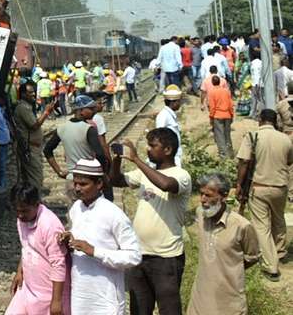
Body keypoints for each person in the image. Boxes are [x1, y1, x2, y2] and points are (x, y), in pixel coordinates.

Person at [110, 129, 191, 315]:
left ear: (168, 149)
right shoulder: (145, 173)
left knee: (168, 308)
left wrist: (136, 159)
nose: (148, 149)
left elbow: (166, 185)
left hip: (166, 257)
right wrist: (117, 158)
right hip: (139, 254)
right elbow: (116, 180)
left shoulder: (181, 175)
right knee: (139, 309)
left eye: (153, 146)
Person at [60, 159, 141, 314]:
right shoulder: (76, 208)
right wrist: (68, 240)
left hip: (106, 297)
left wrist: (95, 251)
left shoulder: (114, 214)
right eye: (75, 183)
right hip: (80, 293)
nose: (77, 188)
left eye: (83, 184)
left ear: (99, 184)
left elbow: (134, 256)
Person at [187, 172, 259, 315]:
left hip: (228, 302)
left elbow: (252, 256)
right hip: (200, 298)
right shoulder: (201, 214)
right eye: (201, 194)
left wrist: (230, 269)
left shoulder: (241, 226)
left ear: (224, 196)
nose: (202, 199)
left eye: (208, 195)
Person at [235, 108, 293, 281]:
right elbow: (290, 160)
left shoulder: (252, 136)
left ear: (260, 119)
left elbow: (244, 162)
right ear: (275, 121)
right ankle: (280, 252)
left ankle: (271, 266)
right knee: (278, 219)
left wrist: (239, 184)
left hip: (259, 187)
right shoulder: (285, 139)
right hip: (280, 187)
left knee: (261, 226)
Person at [6, 183, 71, 315]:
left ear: (37, 204)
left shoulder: (49, 224)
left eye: (24, 211)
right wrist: (20, 271)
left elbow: (58, 264)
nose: (20, 215)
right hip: (29, 287)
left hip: (48, 292)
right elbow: (26, 246)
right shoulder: (22, 219)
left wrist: (56, 301)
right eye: (17, 210)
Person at [44, 95, 108, 202]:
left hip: (72, 179)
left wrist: (58, 171)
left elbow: (47, 150)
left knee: (75, 214)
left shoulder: (61, 128)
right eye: (91, 109)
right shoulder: (88, 129)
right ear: (81, 110)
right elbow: (100, 155)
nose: (94, 111)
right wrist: (103, 174)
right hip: (88, 180)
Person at [13, 81, 55, 192]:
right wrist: (46, 112)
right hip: (29, 149)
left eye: (34, 92)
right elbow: (34, 126)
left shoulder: (26, 107)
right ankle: (35, 203)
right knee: (35, 178)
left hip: (32, 148)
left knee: (30, 178)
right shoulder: (23, 108)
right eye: (30, 92)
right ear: (23, 94)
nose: (33, 94)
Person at [206, 75, 234, 159]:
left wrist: (211, 117)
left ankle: (223, 155)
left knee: (220, 136)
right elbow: (230, 104)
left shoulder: (211, 92)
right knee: (227, 135)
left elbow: (212, 106)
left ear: (212, 83)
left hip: (217, 116)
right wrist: (232, 114)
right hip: (227, 115)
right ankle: (230, 153)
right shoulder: (226, 91)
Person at [155, 85, 183, 165]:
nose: (179, 104)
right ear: (173, 102)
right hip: (170, 157)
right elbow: (159, 137)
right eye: (179, 101)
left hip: (175, 154)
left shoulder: (170, 115)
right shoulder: (163, 116)